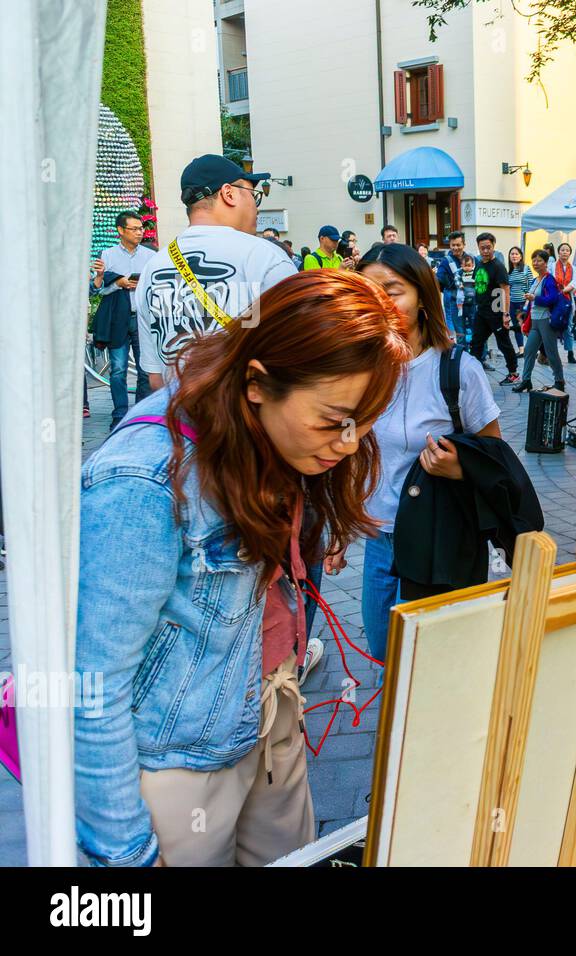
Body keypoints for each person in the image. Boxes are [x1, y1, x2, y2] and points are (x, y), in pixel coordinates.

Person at [75, 269, 409, 866]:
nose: (349, 443)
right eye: (333, 420)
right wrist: (125, 854)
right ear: (257, 382)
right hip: (182, 760)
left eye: (361, 422)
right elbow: (92, 688)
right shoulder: (142, 481)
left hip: (270, 710)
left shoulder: (255, 428)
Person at [357, 244, 501, 661]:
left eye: (393, 290)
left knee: (419, 661)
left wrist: (459, 468)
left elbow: (494, 457)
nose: (381, 302)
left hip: (436, 534)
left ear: (422, 295)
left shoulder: (458, 370)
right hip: (377, 537)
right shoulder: (359, 370)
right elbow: (351, 453)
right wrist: (336, 530)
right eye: (368, 291)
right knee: (383, 652)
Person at [134, 154, 297, 393]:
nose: (256, 207)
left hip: (178, 421)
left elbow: (156, 378)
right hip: (245, 422)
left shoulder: (153, 267)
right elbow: (296, 355)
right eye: (253, 195)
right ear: (229, 193)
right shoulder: (265, 257)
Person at [91, 210, 154, 428]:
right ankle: (120, 414)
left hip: (142, 318)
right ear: (121, 230)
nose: (140, 232)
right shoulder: (107, 255)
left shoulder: (150, 256)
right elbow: (97, 291)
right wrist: (118, 284)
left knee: (145, 368)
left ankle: (140, 414)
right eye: (134, 229)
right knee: (118, 369)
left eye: (141, 228)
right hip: (117, 319)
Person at [513, 249, 568, 394]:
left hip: (546, 321)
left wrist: (534, 298)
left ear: (546, 263)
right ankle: (526, 381)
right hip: (535, 321)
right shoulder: (535, 279)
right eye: (534, 260)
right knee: (529, 351)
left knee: (551, 352)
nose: (535, 263)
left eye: (539, 261)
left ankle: (559, 381)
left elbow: (553, 299)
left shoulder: (549, 279)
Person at [470, 232, 519, 385]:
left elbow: (506, 290)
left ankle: (513, 373)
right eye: (482, 248)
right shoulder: (479, 263)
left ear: (493, 246)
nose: (485, 251)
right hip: (481, 311)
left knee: (503, 343)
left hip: (496, 312)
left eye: (488, 248)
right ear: (478, 248)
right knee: (476, 342)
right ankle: (473, 373)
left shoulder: (498, 266)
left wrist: (506, 314)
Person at [436, 231, 468, 345]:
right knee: (456, 325)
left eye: (458, 245)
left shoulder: (470, 259)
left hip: (468, 297)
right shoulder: (445, 261)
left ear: (464, 244)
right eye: (453, 245)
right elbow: (439, 279)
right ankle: (458, 348)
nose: (455, 247)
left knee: (467, 324)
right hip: (452, 297)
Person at [554, 242, 576, 364]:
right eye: (562, 250)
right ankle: (551, 353)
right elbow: (550, 279)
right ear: (558, 252)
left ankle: (570, 352)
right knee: (552, 326)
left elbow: (575, 282)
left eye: (567, 250)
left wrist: (565, 289)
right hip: (554, 301)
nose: (564, 252)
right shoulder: (552, 266)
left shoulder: (573, 268)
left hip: (568, 300)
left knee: (568, 327)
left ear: (570, 253)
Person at [506, 245, 530, 353]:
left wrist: (528, 302)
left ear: (521, 256)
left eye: (516, 254)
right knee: (516, 327)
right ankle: (521, 350)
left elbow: (531, 286)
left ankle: (531, 349)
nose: (514, 256)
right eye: (512, 254)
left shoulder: (526, 269)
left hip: (523, 302)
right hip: (512, 303)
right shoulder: (509, 272)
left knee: (526, 326)